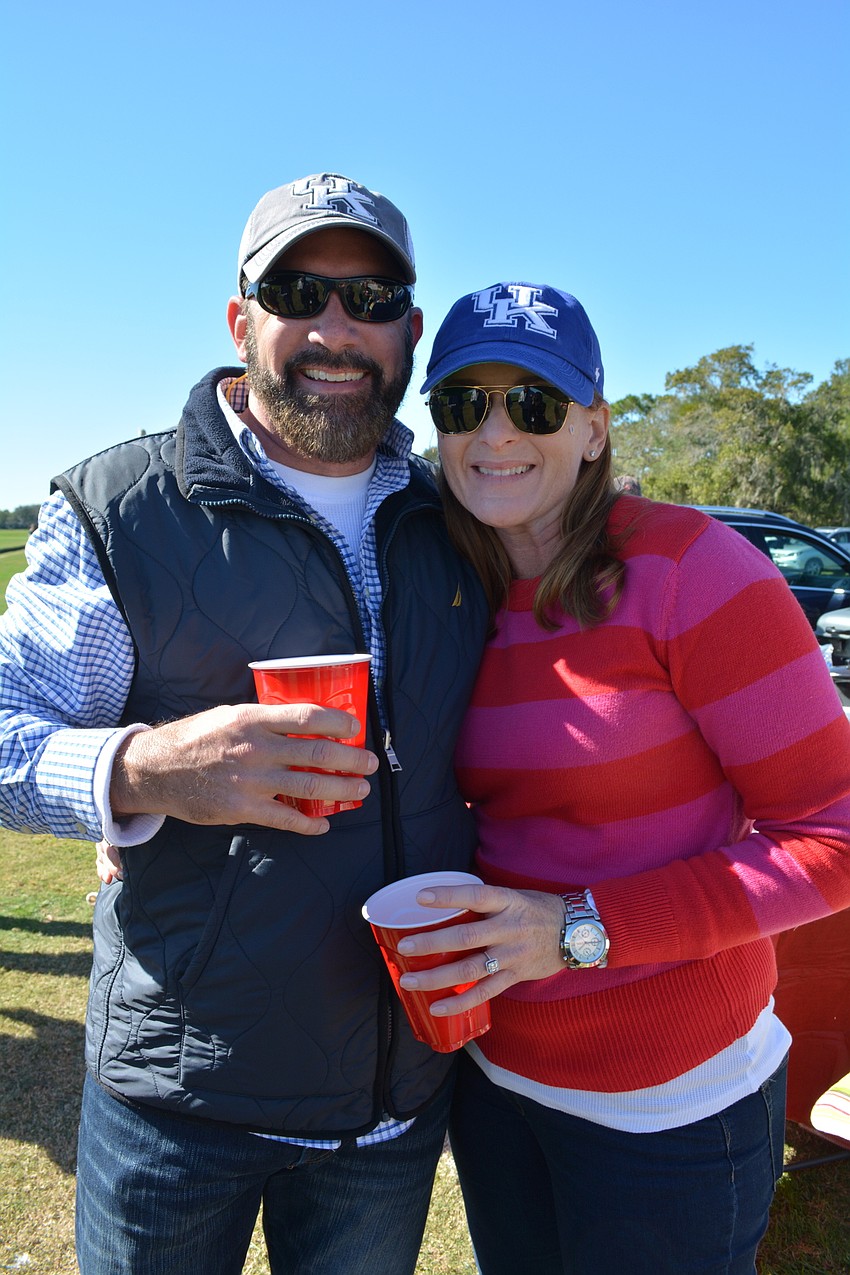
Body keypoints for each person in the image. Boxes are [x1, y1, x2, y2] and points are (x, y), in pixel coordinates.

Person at [0, 174, 488, 1274]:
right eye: (297, 292)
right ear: (240, 320)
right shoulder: (123, 507)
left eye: (371, 300)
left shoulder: (459, 513)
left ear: (410, 330)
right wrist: (144, 769)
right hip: (180, 1104)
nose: (336, 328)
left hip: (395, 1100)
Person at [390, 279, 850, 1274]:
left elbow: (833, 836)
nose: (495, 431)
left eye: (535, 403)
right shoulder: (452, 585)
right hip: (495, 1080)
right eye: (464, 403)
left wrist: (577, 928)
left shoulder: (694, 570)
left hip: (671, 1106)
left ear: (594, 428)